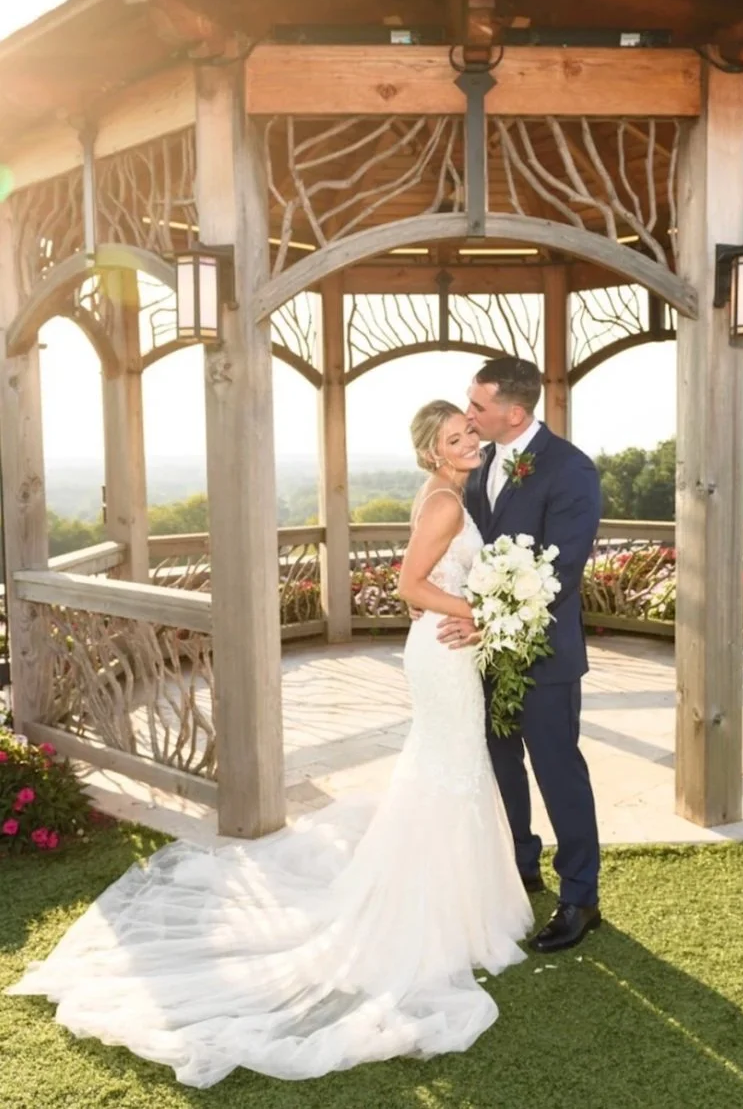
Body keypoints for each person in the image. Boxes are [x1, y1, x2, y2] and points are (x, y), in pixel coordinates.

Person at [6, 400, 532, 1089]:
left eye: (469, 433)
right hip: (442, 653)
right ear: (433, 454)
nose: (467, 443)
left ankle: (463, 909)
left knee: (450, 771)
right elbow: (410, 585)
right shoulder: (443, 504)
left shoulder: (444, 496)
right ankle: (434, 915)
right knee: (447, 772)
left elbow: (419, 590)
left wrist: (481, 616)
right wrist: (488, 610)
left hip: (445, 650)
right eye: (453, 439)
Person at [440, 357, 603, 954]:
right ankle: (519, 864)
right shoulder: (480, 461)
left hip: (544, 655)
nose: (468, 415)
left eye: (477, 407)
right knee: (500, 764)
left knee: (558, 772)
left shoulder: (571, 469)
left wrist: (485, 620)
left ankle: (581, 897)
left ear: (515, 411)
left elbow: (559, 569)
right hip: (481, 656)